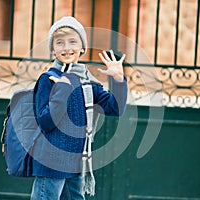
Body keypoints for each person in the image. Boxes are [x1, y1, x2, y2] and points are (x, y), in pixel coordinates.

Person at [30, 16, 128, 200]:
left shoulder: (87, 82)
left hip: (77, 162)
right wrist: (62, 89)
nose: (67, 48)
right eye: (60, 43)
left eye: (73, 42)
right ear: (53, 49)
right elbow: (46, 122)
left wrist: (118, 80)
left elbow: (115, 109)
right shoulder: (48, 79)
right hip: (52, 162)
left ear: (82, 47)